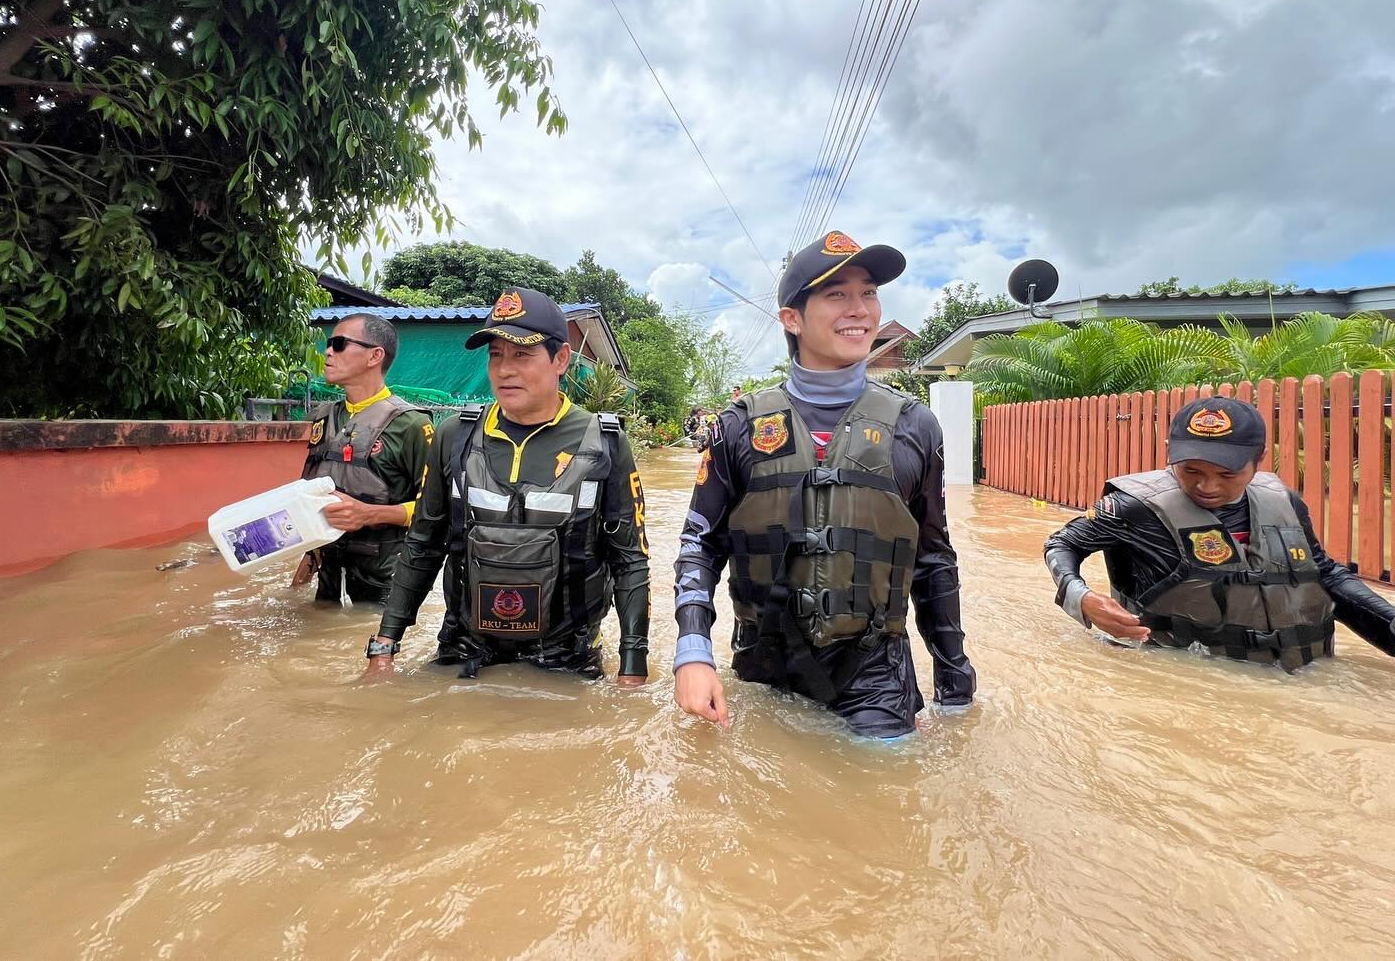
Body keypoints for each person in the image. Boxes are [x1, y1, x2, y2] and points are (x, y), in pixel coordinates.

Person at [671, 230, 976, 737]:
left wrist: (954, 680)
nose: (860, 309)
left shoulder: (916, 426)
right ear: (792, 318)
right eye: (837, 294)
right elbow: (699, 545)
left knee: (884, 796)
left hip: (876, 672)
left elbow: (933, 558)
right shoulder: (739, 426)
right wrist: (693, 652)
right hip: (762, 664)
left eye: (869, 292)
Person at [363, 287, 650, 685]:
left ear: (561, 359)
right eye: (495, 354)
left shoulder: (605, 443)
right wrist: (384, 647)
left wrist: (632, 666)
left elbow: (630, 560)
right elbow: (422, 545)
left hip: (565, 658)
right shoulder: (454, 437)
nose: (503, 370)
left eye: (522, 354)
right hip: (466, 649)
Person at [1044, 396, 1395, 669]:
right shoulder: (1134, 507)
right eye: (1190, 470)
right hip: (1179, 674)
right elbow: (1062, 544)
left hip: (1294, 676)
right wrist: (1083, 598)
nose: (1206, 486)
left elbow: (1322, 574)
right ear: (1171, 455)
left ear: (1258, 462)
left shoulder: (1285, 502)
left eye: (1227, 475)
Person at [297, 312, 432, 604]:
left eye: (339, 343)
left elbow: (436, 510)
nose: (328, 352)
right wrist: (308, 557)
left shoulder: (411, 425)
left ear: (375, 356)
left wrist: (370, 514)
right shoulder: (323, 417)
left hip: (386, 583)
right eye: (329, 344)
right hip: (329, 577)